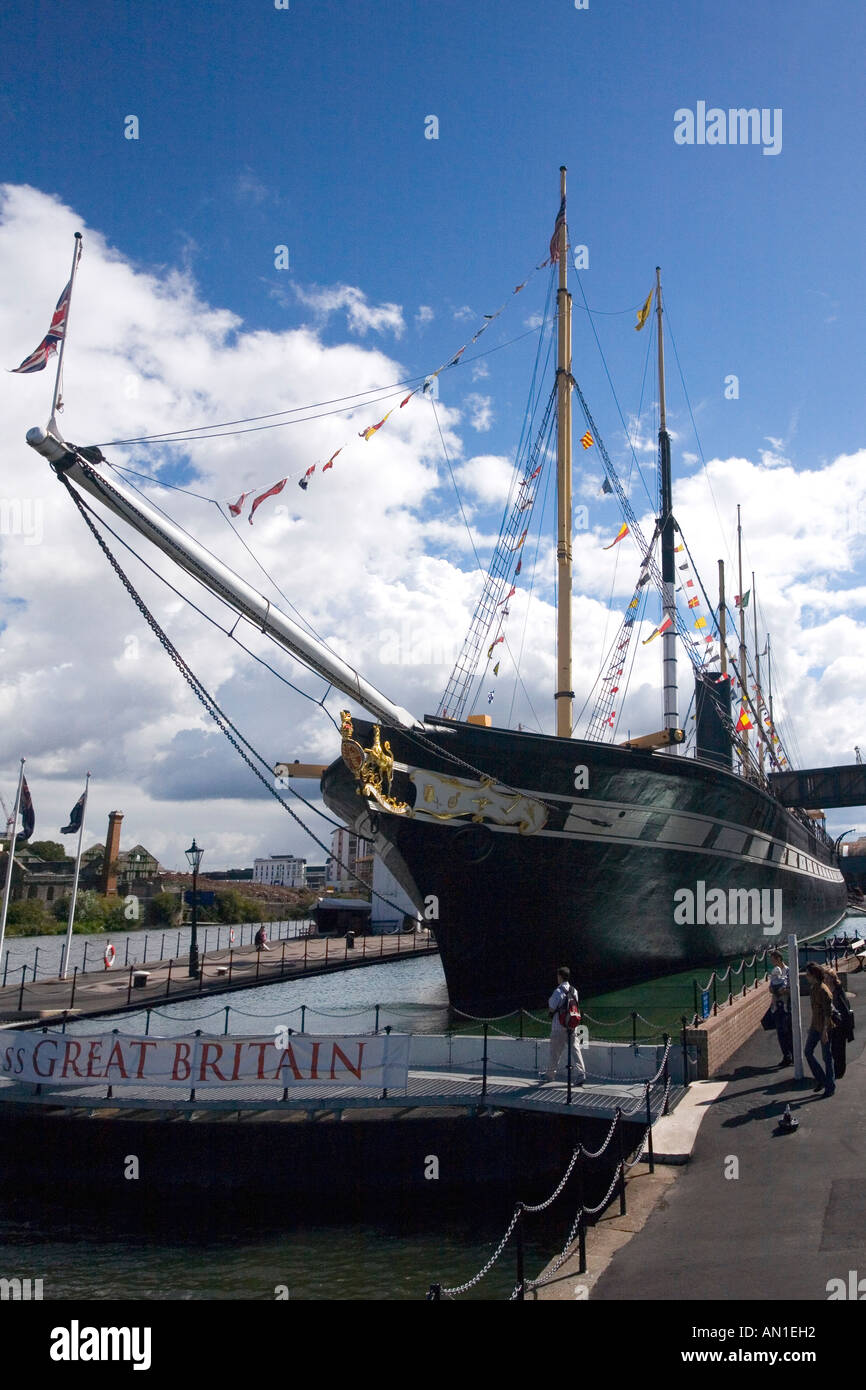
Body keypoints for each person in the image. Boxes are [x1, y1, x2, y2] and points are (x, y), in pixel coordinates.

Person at [544, 966, 586, 1085]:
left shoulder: (558, 991)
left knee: (555, 1052)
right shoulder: (574, 990)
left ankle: (550, 1075)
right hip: (572, 1025)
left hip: (559, 1026)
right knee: (575, 1050)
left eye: (557, 976)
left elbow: (552, 1007)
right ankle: (581, 1073)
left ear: (560, 977)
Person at [804, 963, 835, 1097]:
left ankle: (830, 1087)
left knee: (827, 1058)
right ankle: (822, 1079)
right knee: (808, 1052)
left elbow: (828, 1014)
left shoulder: (823, 991)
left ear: (814, 975)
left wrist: (824, 1032)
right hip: (815, 1026)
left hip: (824, 1028)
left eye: (808, 974)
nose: (806, 977)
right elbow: (815, 1012)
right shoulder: (814, 988)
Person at [821, 962, 854, 1081]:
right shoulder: (825, 990)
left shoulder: (839, 990)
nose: (826, 980)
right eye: (825, 978)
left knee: (839, 1049)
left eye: (828, 977)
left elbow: (844, 1007)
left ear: (833, 978)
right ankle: (836, 1070)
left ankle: (840, 1070)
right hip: (831, 1023)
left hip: (840, 1024)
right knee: (833, 1049)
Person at [768, 950, 793, 1065]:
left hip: (786, 1006)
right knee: (780, 1032)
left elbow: (793, 988)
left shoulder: (788, 971)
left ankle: (793, 1054)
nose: (772, 962)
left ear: (779, 958)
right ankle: (786, 1056)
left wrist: (784, 990)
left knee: (788, 1032)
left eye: (773, 959)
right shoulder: (774, 972)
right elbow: (770, 987)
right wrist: (773, 989)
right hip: (777, 1007)